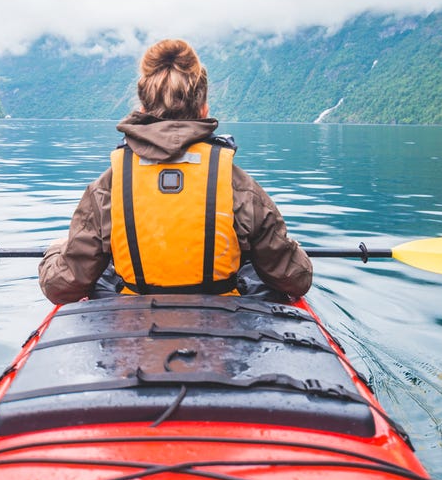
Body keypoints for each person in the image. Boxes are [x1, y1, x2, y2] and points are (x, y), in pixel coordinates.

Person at [39, 39, 312, 304]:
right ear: (203, 109)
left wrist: (55, 251)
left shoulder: (108, 187)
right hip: (220, 320)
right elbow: (295, 280)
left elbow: (62, 287)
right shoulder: (237, 184)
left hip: (135, 322)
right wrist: (293, 250)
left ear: (143, 109)